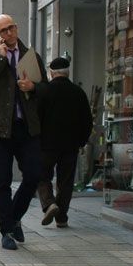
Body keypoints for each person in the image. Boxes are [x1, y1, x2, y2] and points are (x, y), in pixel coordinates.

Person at [0, 13, 48, 250]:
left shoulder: (31, 56)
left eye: (11, 28)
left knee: (34, 175)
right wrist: (0, 60)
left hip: (26, 128)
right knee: (3, 181)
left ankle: (14, 217)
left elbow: (46, 90)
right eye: (3, 30)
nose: (9, 33)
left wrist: (33, 87)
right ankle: (6, 231)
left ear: (17, 28)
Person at [35, 56, 92, 228]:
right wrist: (81, 142)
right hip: (71, 145)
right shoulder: (78, 92)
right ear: (68, 73)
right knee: (65, 182)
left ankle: (49, 203)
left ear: (51, 73)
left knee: (41, 175)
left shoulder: (44, 91)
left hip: (47, 144)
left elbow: (36, 118)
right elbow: (87, 121)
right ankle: (61, 218)